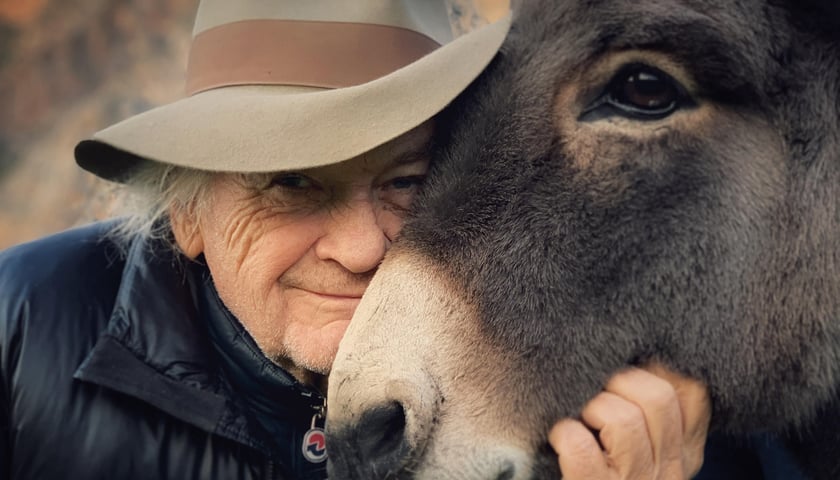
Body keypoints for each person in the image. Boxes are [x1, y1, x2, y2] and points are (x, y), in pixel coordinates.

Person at [0, 1, 716, 478]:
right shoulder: (22, 327)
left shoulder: (602, 381)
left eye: (406, 183)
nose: (361, 248)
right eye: (291, 184)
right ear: (187, 216)